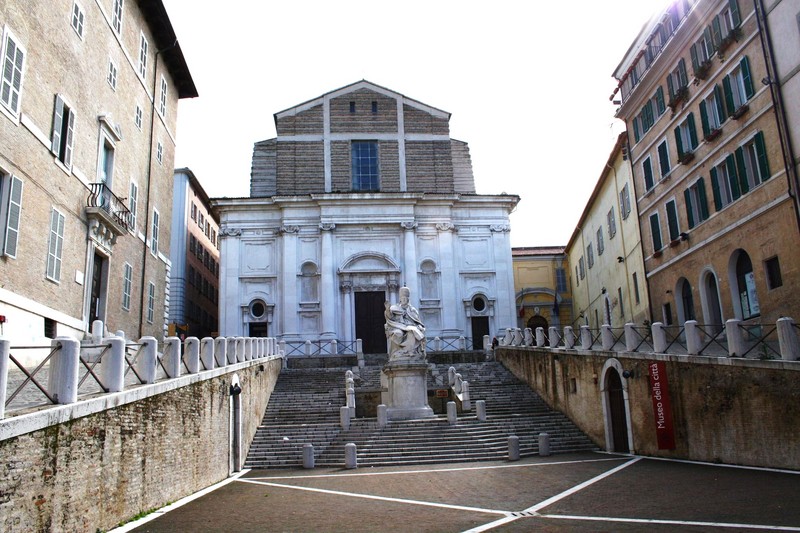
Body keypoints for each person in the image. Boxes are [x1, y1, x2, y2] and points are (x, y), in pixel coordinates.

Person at [385, 287, 426, 361]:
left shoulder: (412, 310)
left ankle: (410, 352)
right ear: (400, 299)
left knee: (412, 331)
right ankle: (400, 352)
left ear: (408, 299)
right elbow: (390, 317)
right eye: (402, 298)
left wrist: (419, 326)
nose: (403, 300)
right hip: (398, 326)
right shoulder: (394, 308)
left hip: (410, 326)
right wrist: (388, 309)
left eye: (405, 298)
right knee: (398, 334)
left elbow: (417, 321)